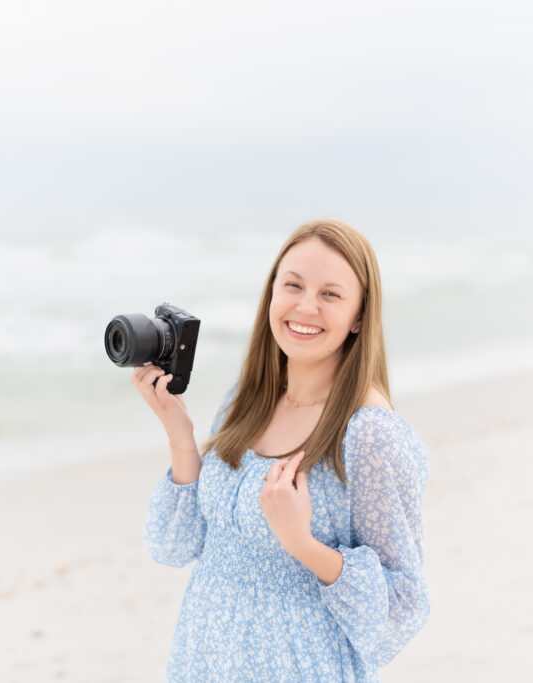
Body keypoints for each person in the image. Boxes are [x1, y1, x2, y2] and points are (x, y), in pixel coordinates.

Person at [131, 219, 430, 681]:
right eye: (292, 285)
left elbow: (401, 605)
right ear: (272, 294)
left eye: (331, 294)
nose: (305, 306)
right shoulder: (246, 399)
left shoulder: (369, 435)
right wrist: (180, 436)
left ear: (359, 317)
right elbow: (175, 546)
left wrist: (302, 544)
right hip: (203, 664)